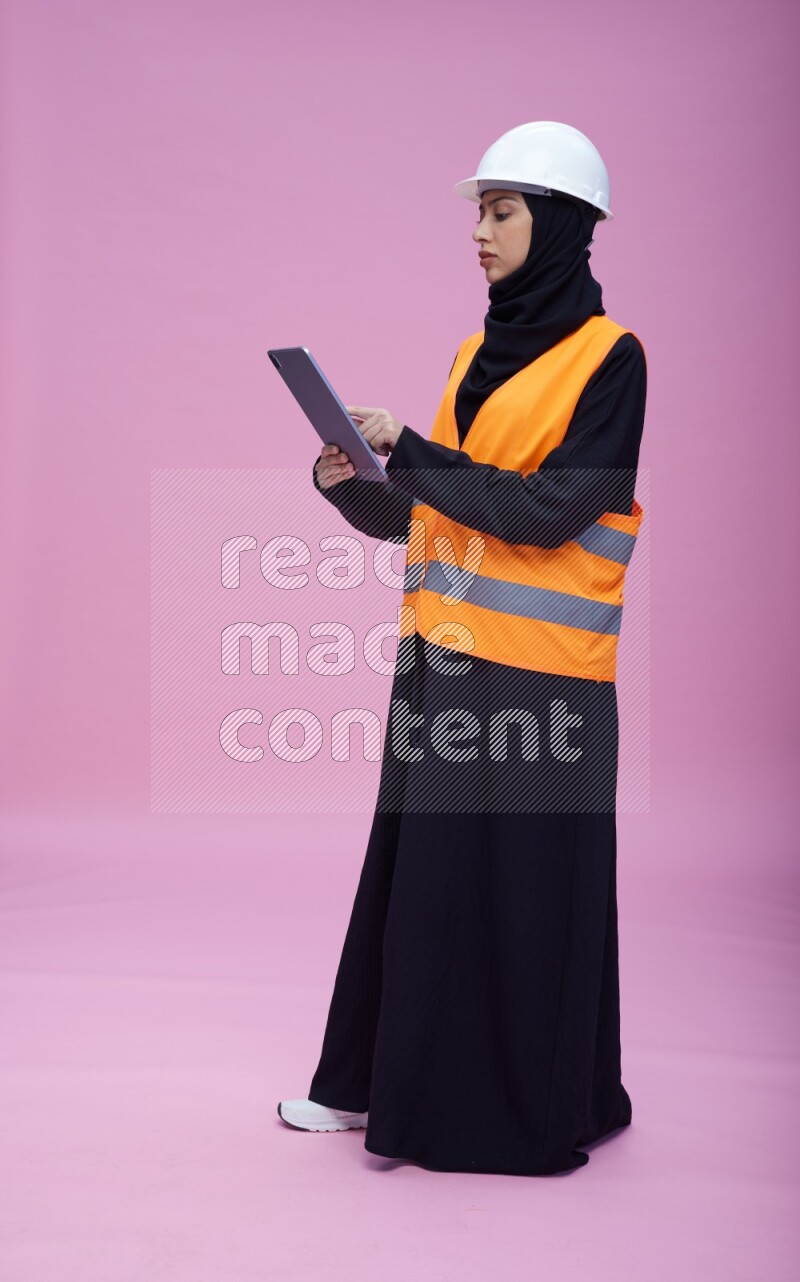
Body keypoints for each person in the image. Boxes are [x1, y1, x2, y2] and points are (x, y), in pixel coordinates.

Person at [278, 121, 647, 1175]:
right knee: (416, 888)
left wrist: (419, 454)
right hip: (440, 664)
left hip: (544, 686)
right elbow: (436, 519)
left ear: (564, 225)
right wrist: (358, 490)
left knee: (523, 905)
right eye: (476, 212)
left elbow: (553, 510)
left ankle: (500, 1114)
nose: (478, 233)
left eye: (501, 210)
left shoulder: (610, 360)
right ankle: (366, 1089)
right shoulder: (469, 356)